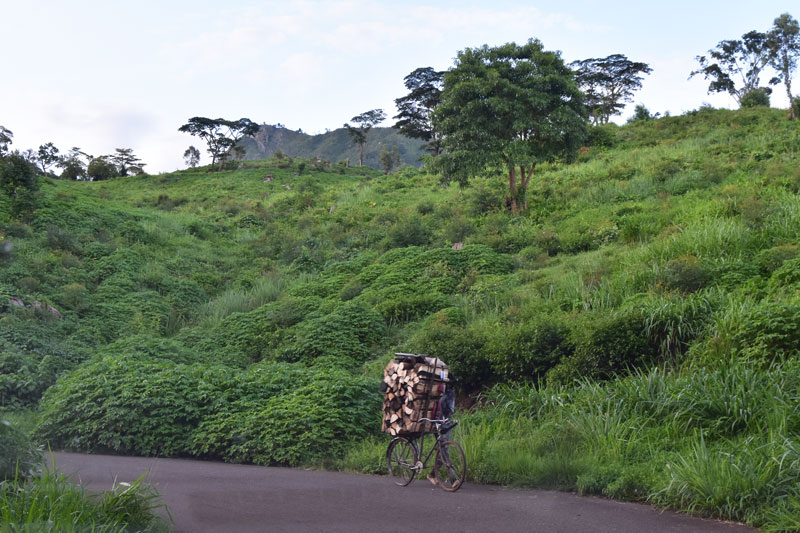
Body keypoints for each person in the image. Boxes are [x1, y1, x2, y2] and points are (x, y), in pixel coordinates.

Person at [428, 377, 457, 487]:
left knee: (443, 450)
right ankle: (453, 479)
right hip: (436, 423)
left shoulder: (450, 394)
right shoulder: (436, 393)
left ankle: (432, 474)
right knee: (444, 450)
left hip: (445, 423)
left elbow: (450, 409)